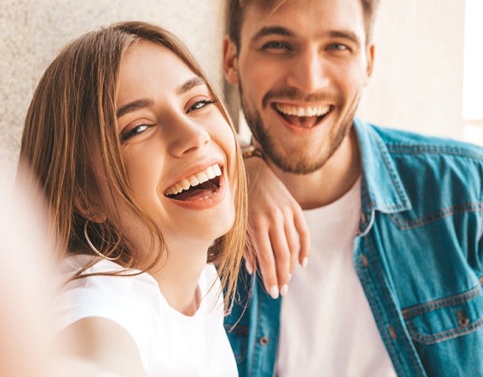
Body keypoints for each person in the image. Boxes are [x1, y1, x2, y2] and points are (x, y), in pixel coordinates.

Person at [222, 0, 483, 376]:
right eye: (278, 45)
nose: (308, 81)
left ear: (368, 62)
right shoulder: (205, 227)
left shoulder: (464, 191)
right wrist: (238, 167)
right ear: (231, 59)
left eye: (337, 46)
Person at [20, 21, 247, 377]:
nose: (193, 135)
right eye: (137, 128)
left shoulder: (201, 280)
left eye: (198, 103)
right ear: (85, 195)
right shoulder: (97, 306)